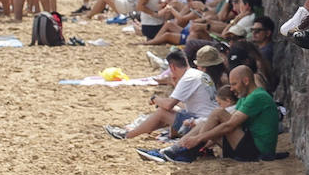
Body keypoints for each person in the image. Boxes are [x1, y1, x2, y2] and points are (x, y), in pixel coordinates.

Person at [143, 65, 281, 163]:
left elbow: (229, 126)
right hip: (248, 145)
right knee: (207, 122)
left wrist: (198, 139)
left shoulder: (257, 97)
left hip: (259, 152)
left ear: (245, 81)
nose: (231, 89)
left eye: (234, 84)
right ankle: (176, 150)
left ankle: (180, 151)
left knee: (218, 113)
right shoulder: (246, 96)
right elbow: (226, 125)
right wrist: (203, 142)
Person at [105, 48, 216, 140]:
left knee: (162, 112)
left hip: (202, 123)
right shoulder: (197, 74)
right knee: (169, 111)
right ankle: (140, 129)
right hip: (209, 120)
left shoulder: (188, 78)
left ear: (172, 67)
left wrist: (155, 99)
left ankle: (127, 135)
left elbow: (169, 105)